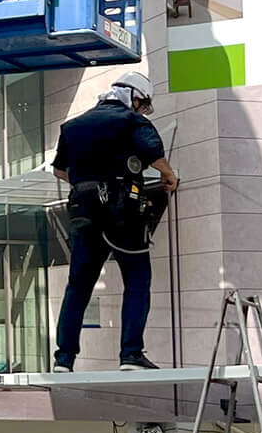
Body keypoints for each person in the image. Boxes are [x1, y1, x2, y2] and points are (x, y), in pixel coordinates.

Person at [52, 69, 179, 371]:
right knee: (137, 279)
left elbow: (59, 170)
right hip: (122, 212)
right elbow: (152, 153)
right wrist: (168, 174)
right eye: (144, 103)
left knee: (79, 285)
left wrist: (87, 181)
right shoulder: (131, 120)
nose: (143, 109)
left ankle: (64, 358)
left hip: (83, 212)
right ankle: (130, 354)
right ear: (134, 96)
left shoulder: (73, 126)